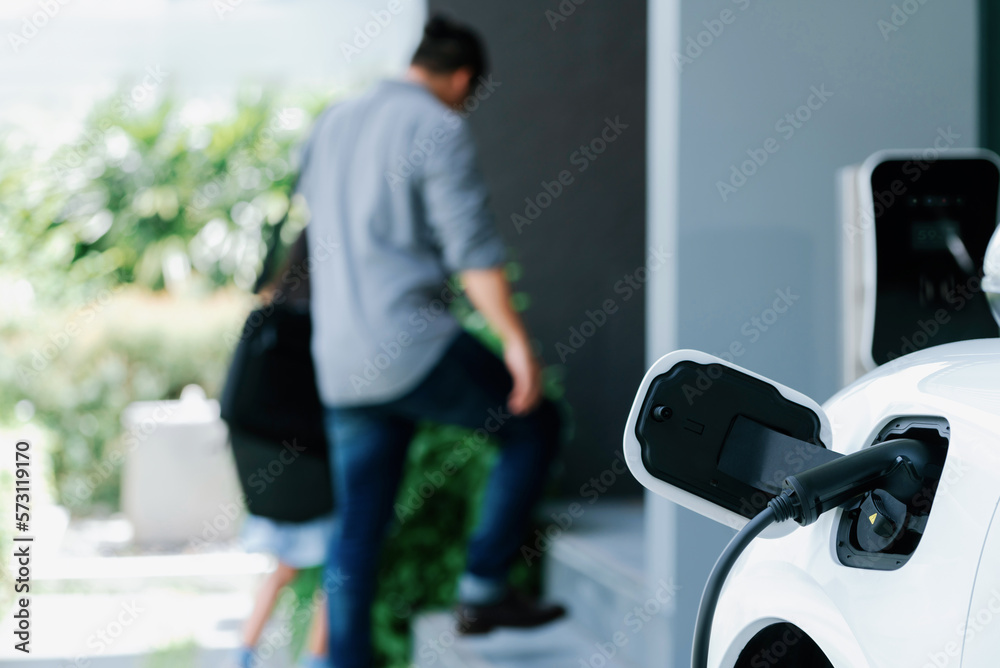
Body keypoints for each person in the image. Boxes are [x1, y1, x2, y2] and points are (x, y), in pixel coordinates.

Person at [299, 14, 565, 668]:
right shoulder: (436, 126)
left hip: (339, 360)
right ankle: (482, 589)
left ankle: (344, 663)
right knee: (534, 424)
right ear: (462, 79)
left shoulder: (331, 122)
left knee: (356, 534)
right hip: (409, 346)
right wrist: (516, 344)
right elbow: (473, 253)